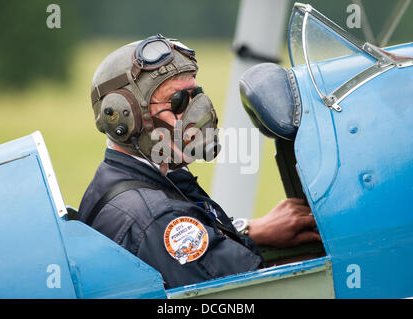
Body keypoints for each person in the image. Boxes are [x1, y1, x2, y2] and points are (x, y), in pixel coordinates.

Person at [78, 34, 321, 289]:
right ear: (124, 120)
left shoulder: (116, 177)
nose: (200, 111)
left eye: (196, 94)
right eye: (179, 101)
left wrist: (247, 230)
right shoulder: (160, 219)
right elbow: (248, 296)